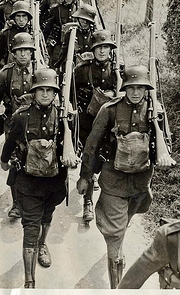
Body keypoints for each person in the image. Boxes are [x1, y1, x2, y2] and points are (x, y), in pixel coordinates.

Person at [76, 65, 173, 288]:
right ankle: (117, 285)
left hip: (141, 182)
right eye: (131, 88)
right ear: (124, 88)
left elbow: (165, 143)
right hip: (113, 180)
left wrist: (163, 153)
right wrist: (85, 176)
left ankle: (118, 237)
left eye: (140, 88)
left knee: (129, 217)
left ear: (146, 89)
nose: (136, 93)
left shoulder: (155, 111)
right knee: (114, 235)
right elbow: (91, 145)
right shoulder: (109, 110)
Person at [0, 68, 78, 288]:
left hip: (54, 183)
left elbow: (73, 147)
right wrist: (5, 161)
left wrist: (72, 156)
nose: (45, 94)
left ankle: (43, 244)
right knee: (30, 227)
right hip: (28, 182)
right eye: (40, 90)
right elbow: (10, 141)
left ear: (56, 94)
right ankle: (29, 281)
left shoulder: (65, 118)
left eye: (50, 90)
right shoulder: (21, 117)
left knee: (47, 217)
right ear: (33, 92)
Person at [75, 29, 118, 223]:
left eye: (106, 47)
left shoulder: (118, 72)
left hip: (109, 123)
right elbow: (71, 94)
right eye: (99, 47)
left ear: (110, 49)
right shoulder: (82, 70)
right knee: (89, 157)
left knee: (106, 158)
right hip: (87, 122)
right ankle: (88, 202)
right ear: (93, 49)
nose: (102, 51)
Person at [0, 32, 36, 218]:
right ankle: (16, 202)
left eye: (26, 50)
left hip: (35, 122)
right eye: (19, 51)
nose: (23, 54)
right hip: (13, 122)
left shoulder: (40, 72)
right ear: (13, 53)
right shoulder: (6, 73)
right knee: (16, 160)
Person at [0, 0, 33, 82]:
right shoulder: (6, 33)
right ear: (13, 17)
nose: (21, 20)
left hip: (29, 72)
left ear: (28, 18)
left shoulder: (34, 33)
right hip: (11, 72)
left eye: (24, 16)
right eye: (18, 16)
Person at [42, 0, 79, 69]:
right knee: (56, 62)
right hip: (59, 41)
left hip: (74, 42)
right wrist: (44, 41)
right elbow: (48, 28)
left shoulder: (78, 9)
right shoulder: (56, 9)